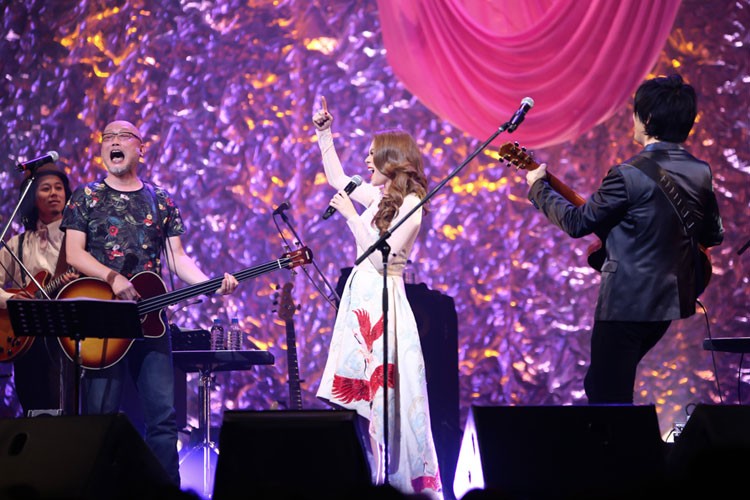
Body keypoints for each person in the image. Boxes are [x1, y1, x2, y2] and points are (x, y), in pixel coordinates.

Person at [525, 74, 724, 404]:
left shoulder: (627, 174)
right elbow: (713, 234)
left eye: (635, 113)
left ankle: (626, 455)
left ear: (646, 119)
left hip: (624, 304)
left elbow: (577, 223)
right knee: (607, 387)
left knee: (607, 396)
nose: (632, 120)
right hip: (668, 303)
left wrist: (536, 187)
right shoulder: (701, 171)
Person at [60, 119, 239, 486]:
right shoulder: (86, 196)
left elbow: (177, 258)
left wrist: (209, 283)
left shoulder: (160, 200)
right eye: (107, 137)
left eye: (123, 136)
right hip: (103, 321)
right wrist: (113, 277)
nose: (114, 142)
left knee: (163, 419)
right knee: (99, 419)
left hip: (150, 323)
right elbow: (74, 254)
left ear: (141, 148)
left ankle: (165, 493)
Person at [312, 96, 443, 499]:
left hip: (384, 300)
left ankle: (398, 484)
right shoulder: (380, 198)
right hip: (361, 299)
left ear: (390, 160)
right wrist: (324, 134)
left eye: (372, 156)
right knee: (361, 403)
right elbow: (338, 179)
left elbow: (382, 257)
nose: (366, 162)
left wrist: (351, 218)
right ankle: (371, 480)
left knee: (387, 401)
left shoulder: (411, 204)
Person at [0, 164, 78, 415]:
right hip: (27, 341)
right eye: (46, 188)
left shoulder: (77, 240)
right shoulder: (16, 243)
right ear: (32, 197)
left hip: (67, 335)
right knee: (34, 409)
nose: (54, 193)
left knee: (67, 409)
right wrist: (13, 302)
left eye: (59, 188)